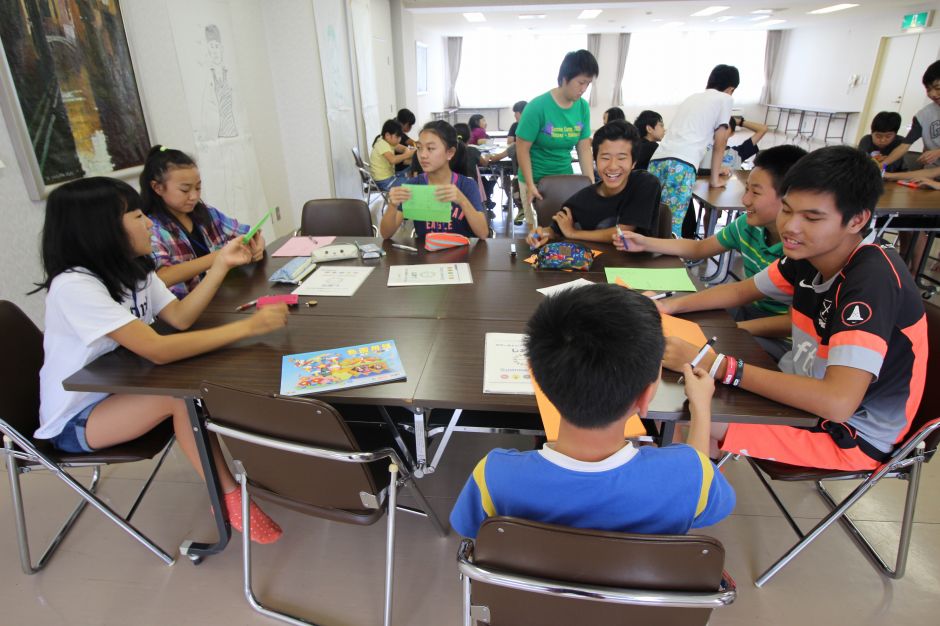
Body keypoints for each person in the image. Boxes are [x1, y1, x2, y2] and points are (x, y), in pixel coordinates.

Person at [32, 177, 288, 544]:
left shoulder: (134, 269)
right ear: (101, 228)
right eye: (137, 216)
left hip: (122, 390)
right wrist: (250, 327)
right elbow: (158, 349)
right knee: (178, 395)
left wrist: (220, 265)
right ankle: (229, 497)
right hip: (75, 419)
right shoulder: (74, 286)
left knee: (191, 383)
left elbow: (180, 318)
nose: (149, 223)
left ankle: (246, 477)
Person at [659, 146, 927, 471]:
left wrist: (716, 364)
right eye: (786, 210)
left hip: (847, 434)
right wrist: (666, 305)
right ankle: (687, 482)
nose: (791, 227)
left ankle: (685, 490)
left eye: (811, 218)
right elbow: (742, 290)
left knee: (684, 409)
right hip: (801, 390)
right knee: (682, 391)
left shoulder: (872, 280)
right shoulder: (809, 253)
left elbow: (838, 403)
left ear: (857, 220)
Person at [449, 285, 735, 539]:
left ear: (535, 377)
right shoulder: (690, 475)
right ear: (647, 395)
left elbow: (470, 530)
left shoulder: (494, 475)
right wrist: (701, 406)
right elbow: (702, 490)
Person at [615, 145, 808, 361]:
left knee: (699, 349)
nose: (745, 200)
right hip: (746, 310)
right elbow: (701, 251)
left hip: (782, 340)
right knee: (683, 321)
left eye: (755, 192)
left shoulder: (803, 253)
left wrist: (734, 329)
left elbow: (791, 323)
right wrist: (645, 243)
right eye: (746, 189)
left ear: (789, 199)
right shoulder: (747, 226)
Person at [141, 146, 265, 299]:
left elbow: (250, 233)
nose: (194, 196)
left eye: (198, 187)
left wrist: (258, 246)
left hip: (224, 295)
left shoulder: (208, 214)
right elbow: (163, 277)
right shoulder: (152, 228)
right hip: (188, 305)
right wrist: (221, 257)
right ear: (157, 188)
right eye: (185, 190)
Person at [526, 121, 661, 247]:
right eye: (605, 158)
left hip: (642, 263)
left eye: (621, 158)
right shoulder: (582, 199)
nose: (613, 166)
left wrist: (573, 233)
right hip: (595, 264)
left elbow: (623, 233)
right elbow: (555, 229)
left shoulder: (645, 183)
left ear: (633, 163)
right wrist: (539, 234)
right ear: (595, 160)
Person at [649, 65, 739, 237]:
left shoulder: (692, 98)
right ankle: (669, 253)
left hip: (657, 160)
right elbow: (720, 142)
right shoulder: (725, 99)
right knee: (671, 225)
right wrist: (714, 179)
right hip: (681, 164)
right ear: (731, 89)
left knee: (652, 217)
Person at [514, 49, 598, 227]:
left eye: (588, 84)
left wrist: (590, 184)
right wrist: (530, 184)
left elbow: (583, 148)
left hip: (564, 178)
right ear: (565, 78)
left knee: (564, 228)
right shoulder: (537, 107)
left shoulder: (582, 107)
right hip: (535, 179)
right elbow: (521, 148)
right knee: (538, 232)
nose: (584, 89)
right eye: (581, 82)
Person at [379, 121, 490, 240]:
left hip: (462, 251)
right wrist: (392, 205)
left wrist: (462, 200)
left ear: (450, 153)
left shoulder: (467, 185)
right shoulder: (414, 185)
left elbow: (483, 233)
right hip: (425, 251)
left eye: (430, 148)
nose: (423, 155)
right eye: (419, 148)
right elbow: (386, 234)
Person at [880, 60, 940, 170]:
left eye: (938, 88)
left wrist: (938, 152)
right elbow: (905, 145)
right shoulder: (924, 116)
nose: (933, 94)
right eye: (928, 89)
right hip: (931, 170)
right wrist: (883, 164)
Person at [699, 116, 770, 175]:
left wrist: (738, 122)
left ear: (732, 133)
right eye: (717, 127)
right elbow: (694, 171)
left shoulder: (737, 153)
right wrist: (715, 171)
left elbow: (763, 129)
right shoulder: (703, 149)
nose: (720, 131)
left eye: (726, 127)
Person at [370, 119, 415, 190]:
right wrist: (408, 154)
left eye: (400, 137)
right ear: (387, 135)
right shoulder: (382, 144)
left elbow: (403, 148)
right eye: (397, 137)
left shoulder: (388, 142)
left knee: (412, 168)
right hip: (384, 182)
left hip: (390, 177)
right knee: (414, 182)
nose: (399, 139)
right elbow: (393, 160)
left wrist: (407, 151)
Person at [394, 108, 418, 173]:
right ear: (403, 123)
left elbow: (411, 142)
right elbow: (412, 143)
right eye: (410, 125)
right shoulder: (396, 133)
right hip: (398, 168)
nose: (411, 127)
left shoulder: (395, 125)